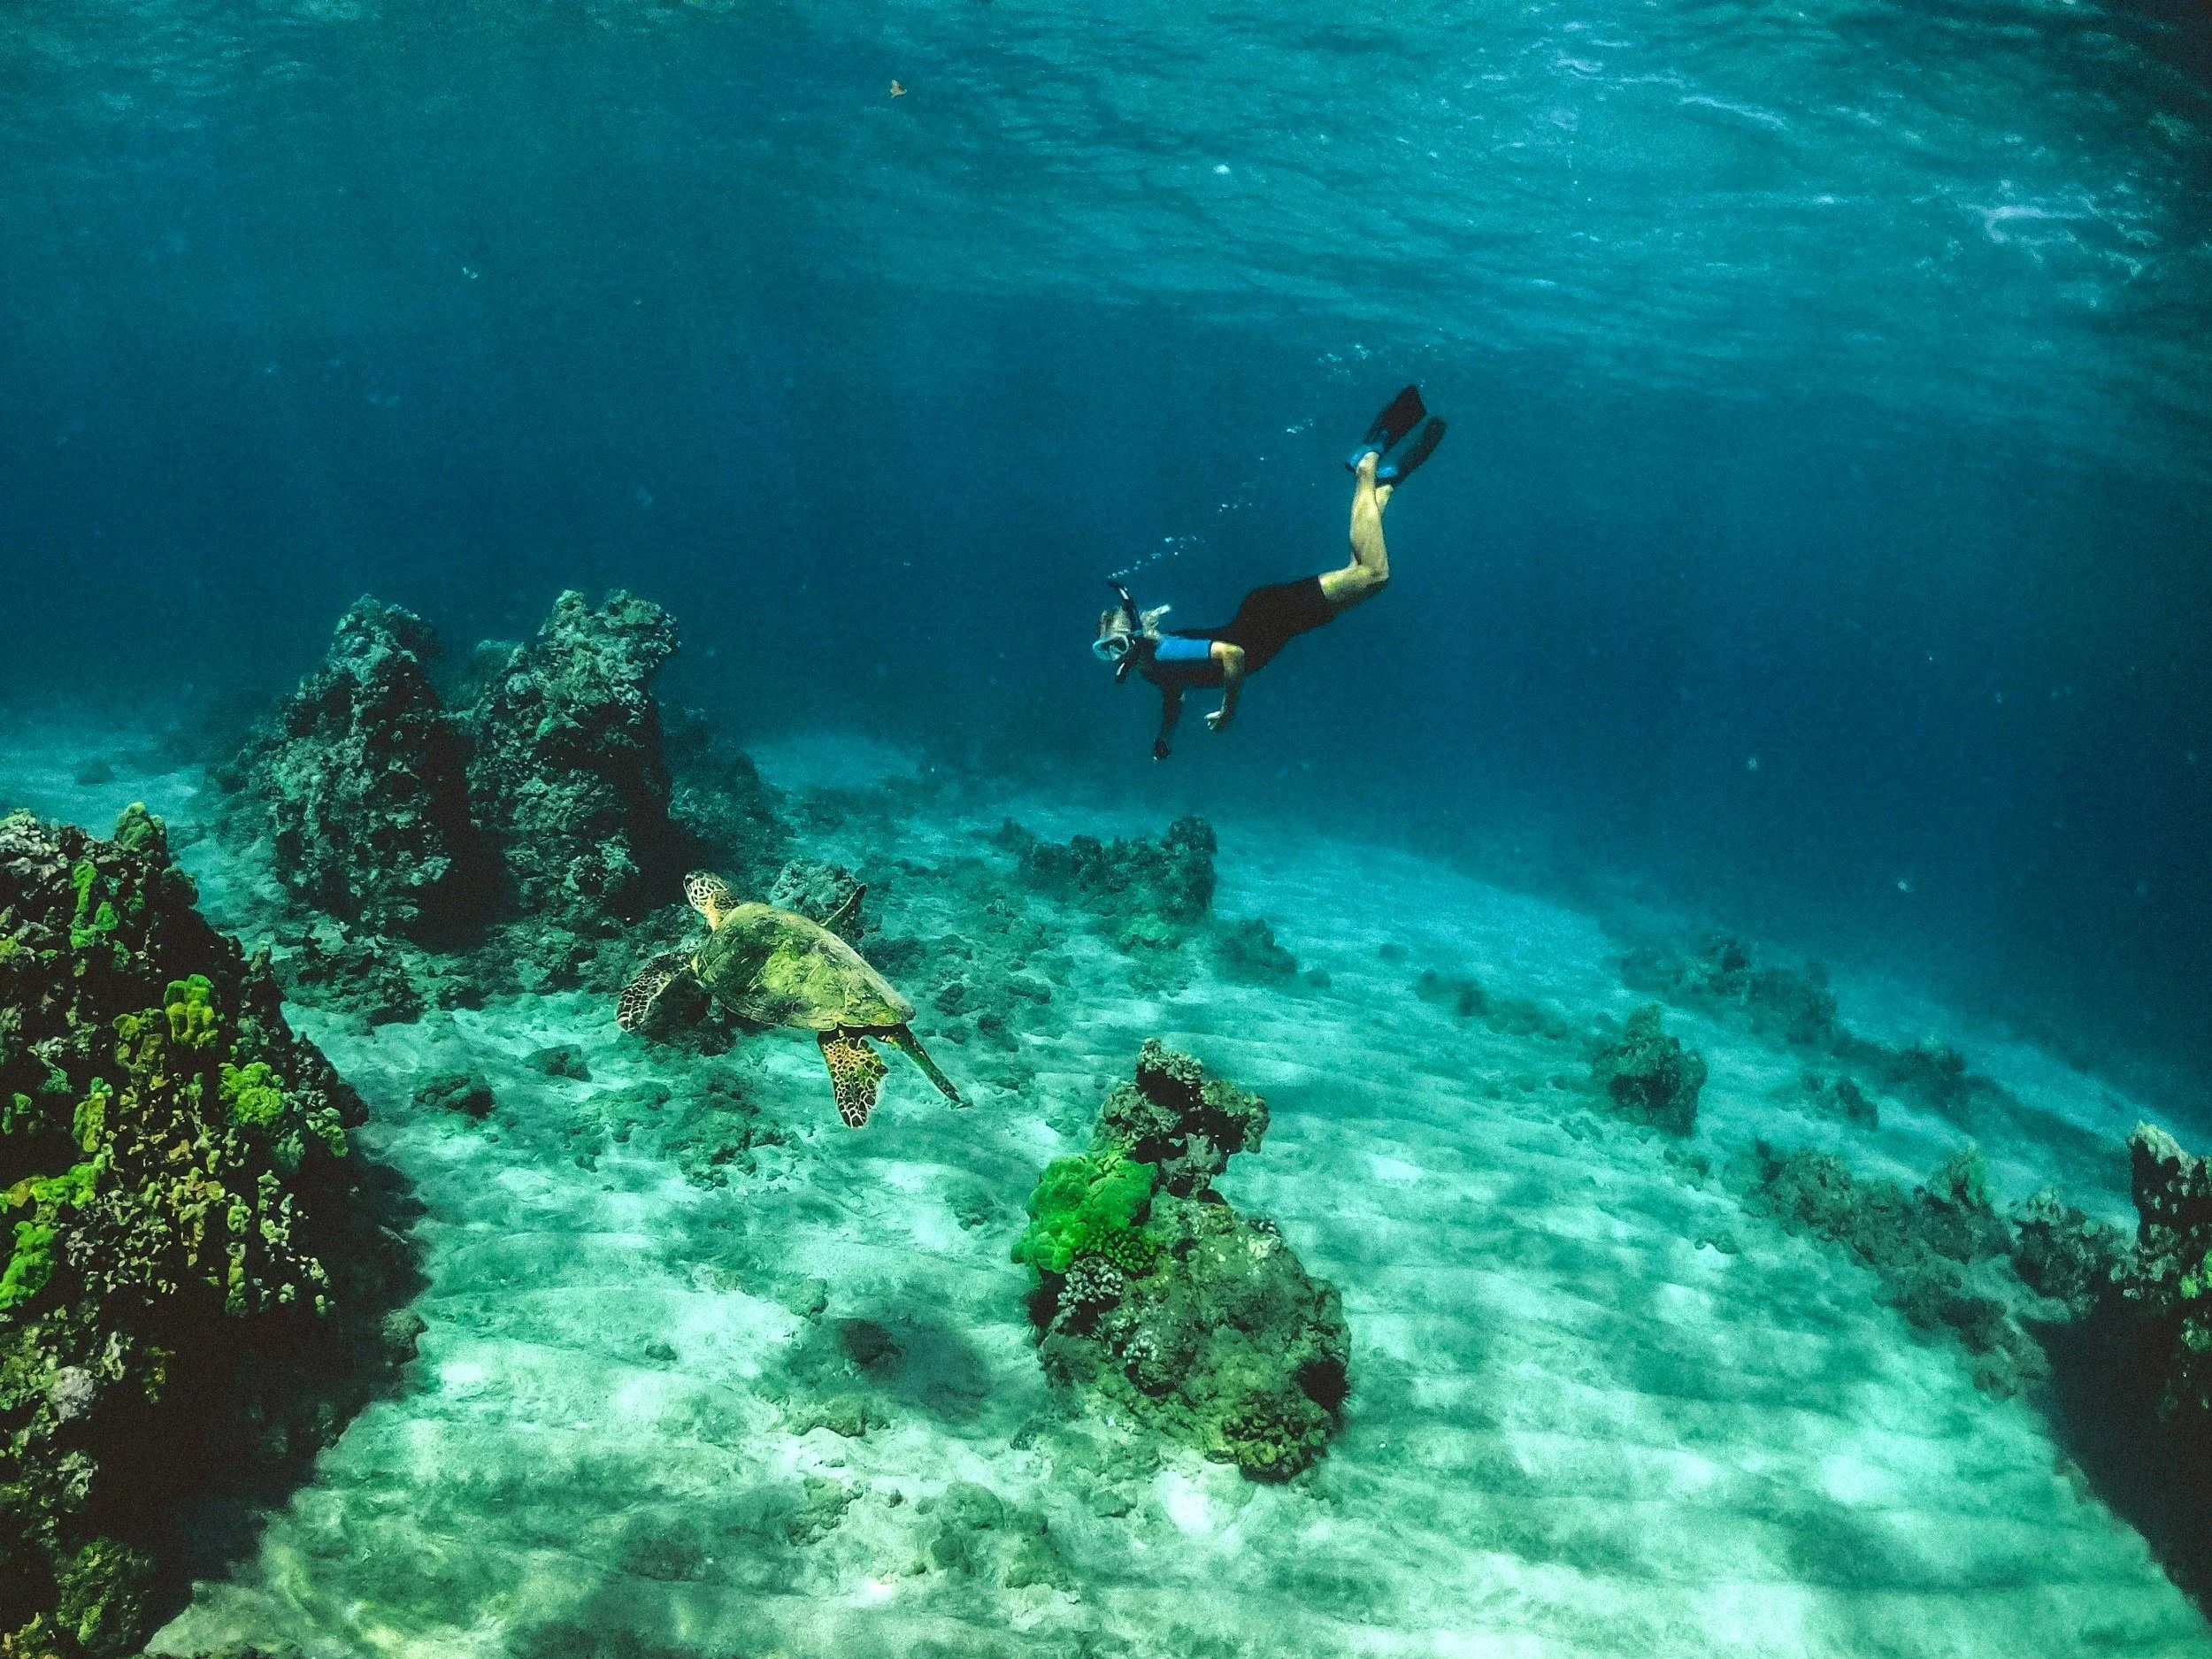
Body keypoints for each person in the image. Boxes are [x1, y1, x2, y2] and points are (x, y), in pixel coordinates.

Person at [1094, 386, 1445, 759]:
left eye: (1117, 644)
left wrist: (1229, 710)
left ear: (1133, 634)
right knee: (1360, 569)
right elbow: (1173, 694)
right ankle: (1383, 486)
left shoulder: (1163, 654)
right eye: (1107, 651)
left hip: (1273, 616)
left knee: (1373, 574)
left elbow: (1233, 654)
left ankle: (1368, 464)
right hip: (1275, 620)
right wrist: (1164, 737)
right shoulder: (1153, 670)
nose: (1116, 656)